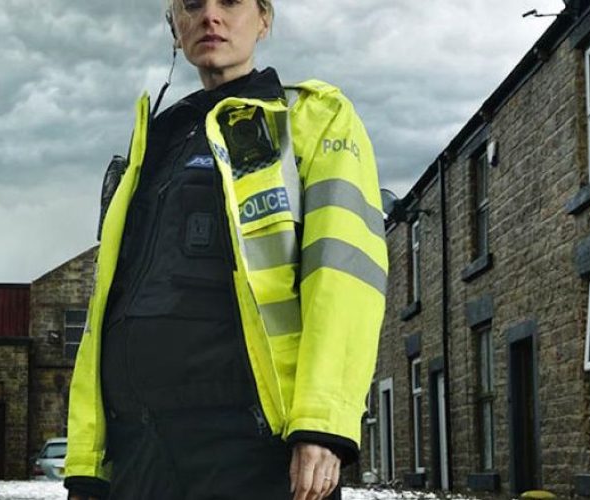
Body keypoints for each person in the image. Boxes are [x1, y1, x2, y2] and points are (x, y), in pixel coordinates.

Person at [65, 0, 386, 498]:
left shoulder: (312, 120)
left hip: (252, 448)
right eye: (192, 5)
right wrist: (87, 462)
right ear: (175, 25)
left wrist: (323, 424)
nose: (210, 16)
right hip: (139, 448)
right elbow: (105, 306)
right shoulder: (152, 143)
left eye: (231, 2)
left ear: (264, 19)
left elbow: (344, 277)